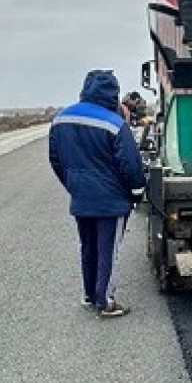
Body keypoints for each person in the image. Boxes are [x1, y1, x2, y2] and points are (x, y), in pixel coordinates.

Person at [48, 69, 146, 319]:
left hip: (81, 198)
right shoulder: (114, 124)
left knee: (88, 247)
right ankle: (106, 302)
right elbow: (131, 164)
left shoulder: (61, 119)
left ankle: (90, 294)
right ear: (113, 93)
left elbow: (56, 160)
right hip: (111, 201)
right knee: (107, 250)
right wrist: (137, 193)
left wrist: (74, 186)